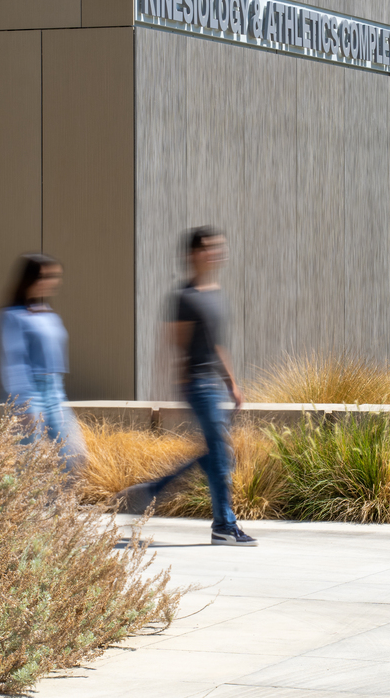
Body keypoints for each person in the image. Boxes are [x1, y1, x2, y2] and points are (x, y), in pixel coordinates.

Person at [118, 227, 257, 546]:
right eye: (209, 248)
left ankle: (152, 492)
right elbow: (177, 343)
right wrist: (177, 388)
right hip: (197, 384)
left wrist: (232, 383)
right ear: (194, 253)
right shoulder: (185, 297)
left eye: (218, 247)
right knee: (221, 455)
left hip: (215, 385)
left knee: (218, 456)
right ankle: (224, 525)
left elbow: (216, 344)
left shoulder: (216, 293)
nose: (216, 253)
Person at [0, 252, 86, 473]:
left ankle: (56, 505)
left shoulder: (49, 315)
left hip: (55, 393)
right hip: (29, 395)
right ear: (30, 279)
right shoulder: (11, 316)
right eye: (46, 276)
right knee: (29, 465)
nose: (53, 281)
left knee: (75, 456)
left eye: (55, 276)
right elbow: (13, 361)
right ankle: (29, 507)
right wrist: (25, 405)